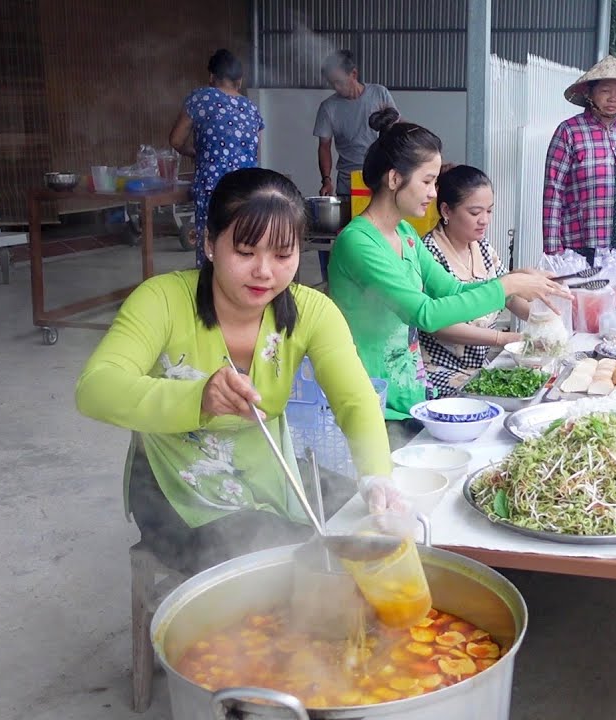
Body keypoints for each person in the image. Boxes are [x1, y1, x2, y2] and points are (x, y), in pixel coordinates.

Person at [75, 168, 397, 573]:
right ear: (209, 243)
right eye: (245, 252)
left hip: (271, 470)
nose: (264, 271)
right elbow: (95, 388)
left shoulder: (312, 311)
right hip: (176, 482)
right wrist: (199, 396)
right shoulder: (162, 300)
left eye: (283, 255)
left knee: (364, 525)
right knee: (291, 565)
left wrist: (377, 476)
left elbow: (354, 399)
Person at [329, 109, 569, 446]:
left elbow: (453, 289)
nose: (432, 192)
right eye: (427, 181)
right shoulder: (358, 242)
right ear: (395, 178)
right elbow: (425, 314)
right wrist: (506, 286)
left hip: (409, 392)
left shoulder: (405, 233)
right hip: (371, 398)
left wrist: (515, 278)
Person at [420, 165, 530, 397]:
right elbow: (440, 325)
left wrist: (543, 322)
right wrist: (505, 338)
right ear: (446, 211)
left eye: (489, 211)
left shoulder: (481, 247)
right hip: (439, 370)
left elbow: (508, 294)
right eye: (474, 213)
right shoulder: (429, 253)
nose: (484, 220)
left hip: (477, 366)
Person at [542, 55, 616, 264]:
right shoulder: (569, 131)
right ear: (589, 93)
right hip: (579, 245)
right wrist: (553, 250)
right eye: (605, 90)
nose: (613, 98)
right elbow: (553, 192)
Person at [170, 49, 266, 268]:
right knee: (241, 240)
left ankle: (209, 291)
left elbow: (175, 140)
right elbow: (255, 151)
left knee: (211, 240)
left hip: (212, 186)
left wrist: (195, 153)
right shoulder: (251, 108)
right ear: (239, 80)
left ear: (211, 77)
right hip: (247, 188)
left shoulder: (200, 97)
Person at [314, 50, 398, 283]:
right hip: (348, 182)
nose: (337, 88)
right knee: (344, 238)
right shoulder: (328, 107)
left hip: (380, 180)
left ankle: (380, 281)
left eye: (340, 81)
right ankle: (338, 282)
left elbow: (394, 130)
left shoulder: (378, 93)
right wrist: (326, 180)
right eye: (332, 84)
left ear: (354, 73)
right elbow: (324, 146)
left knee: (379, 234)